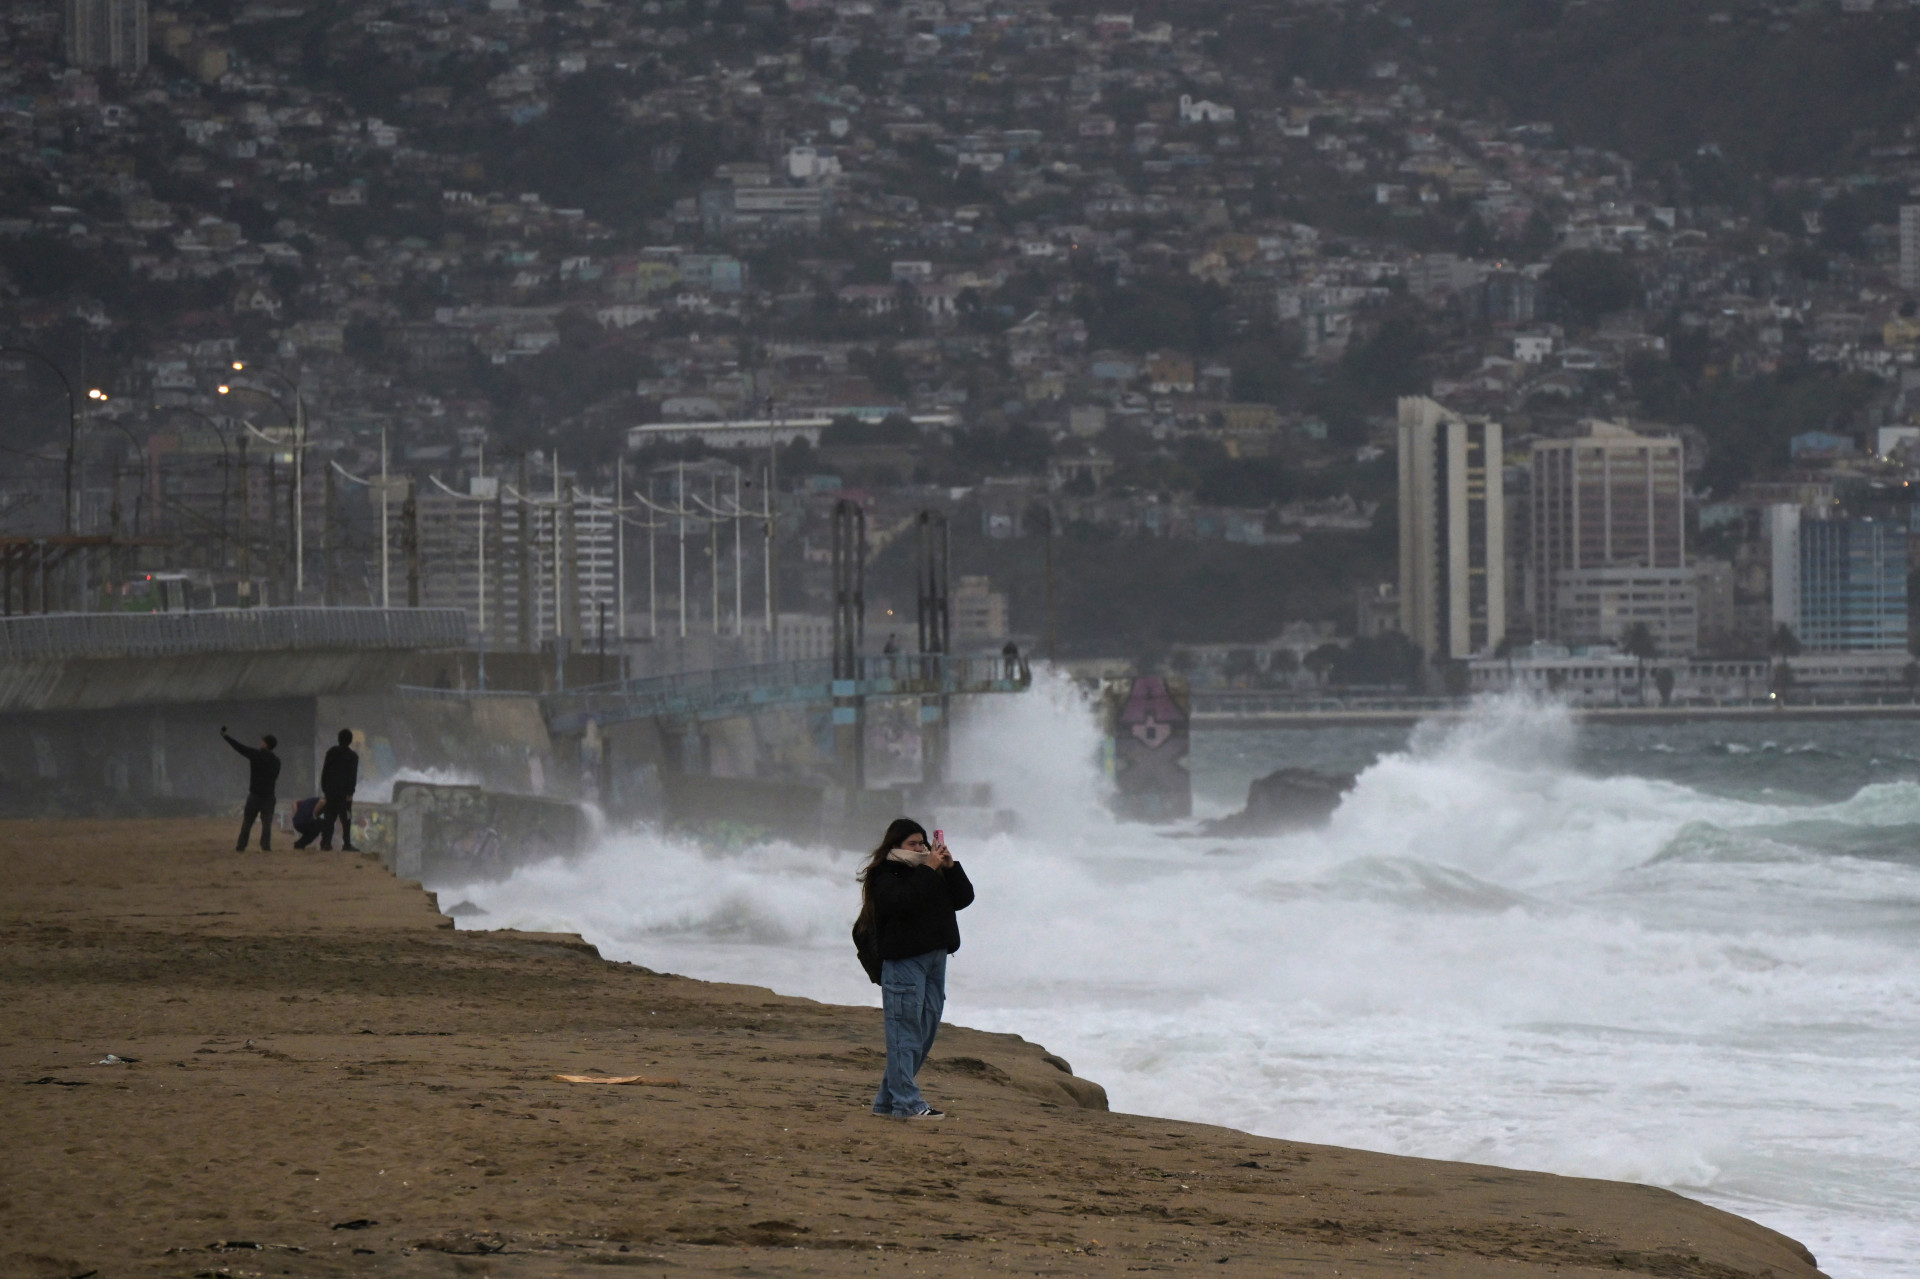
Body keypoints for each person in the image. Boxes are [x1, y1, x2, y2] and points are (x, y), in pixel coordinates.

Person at [854, 818, 973, 1120]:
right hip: (904, 961)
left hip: (936, 958)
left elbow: (964, 898)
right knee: (904, 1031)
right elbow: (900, 903)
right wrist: (928, 869)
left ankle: (886, 1102)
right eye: (913, 844)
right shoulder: (886, 873)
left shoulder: (932, 871)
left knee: (924, 1031)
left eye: (923, 843)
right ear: (896, 846)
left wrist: (950, 866)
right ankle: (907, 1103)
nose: (920, 848)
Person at [222, 726, 281, 852]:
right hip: (269, 796)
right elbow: (275, 776)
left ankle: (241, 845)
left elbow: (239, 747)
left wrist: (225, 736)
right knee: (266, 823)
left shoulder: (255, 755)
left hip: (254, 795)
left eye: (262, 741)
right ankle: (265, 846)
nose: (260, 743)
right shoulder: (276, 761)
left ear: (265, 744)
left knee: (247, 822)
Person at [317, 728, 360, 851]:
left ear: (338, 739)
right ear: (350, 740)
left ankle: (325, 843)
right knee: (346, 819)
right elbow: (352, 776)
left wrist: (324, 788)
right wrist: (350, 793)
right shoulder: (352, 756)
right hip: (344, 795)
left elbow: (325, 771)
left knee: (329, 818)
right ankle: (346, 844)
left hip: (330, 792)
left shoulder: (331, 752)